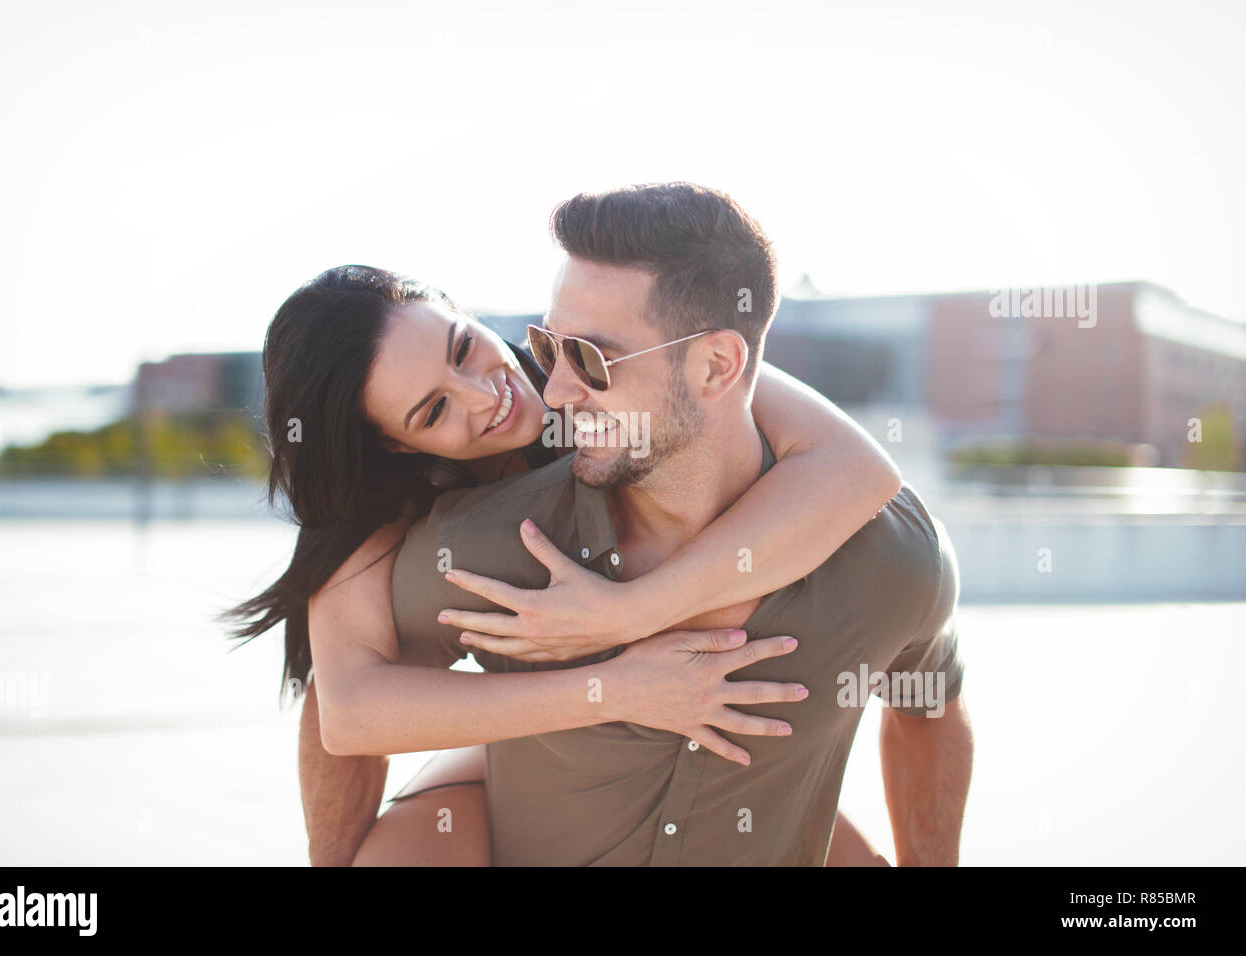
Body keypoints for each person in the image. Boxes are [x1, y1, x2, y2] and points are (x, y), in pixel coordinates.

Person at [228, 193, 909, 865]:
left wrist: (625, 614)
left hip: (690, 737)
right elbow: (345, 713)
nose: (484, 394)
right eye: (434, 411)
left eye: (464, 349)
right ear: (397, 447)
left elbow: (858, 468)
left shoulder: (598, 368)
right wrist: (615, 688)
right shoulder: (378, 517)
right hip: (517, 735)